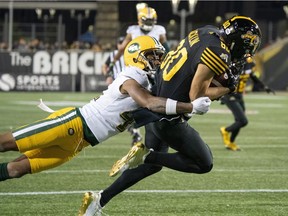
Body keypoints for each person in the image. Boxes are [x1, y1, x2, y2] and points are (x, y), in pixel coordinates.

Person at [78, 15, 262, 216]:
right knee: (203, 163)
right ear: (238, 41)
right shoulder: (219, 54)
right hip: (169, 114)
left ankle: (98, 201)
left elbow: (192, 65)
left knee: (152, 167)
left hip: (157, 102)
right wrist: (226, 89)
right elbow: (196, 97)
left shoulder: (207, 31)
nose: (248, 51)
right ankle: (146, 155)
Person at [0, 35, 211, 183]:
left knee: (16, 170)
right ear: (137, 56)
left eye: (158, 56)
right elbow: (150, 103)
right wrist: (191, 106)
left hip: (80, 144)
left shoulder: (149, 82)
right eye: (152, 55)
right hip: (72, 124)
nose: (157, 60)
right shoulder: (132, 75)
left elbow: (165, 102)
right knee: (5, 143)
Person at [106, 6, 170, 145]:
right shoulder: (133, 30)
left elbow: (166, 49)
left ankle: (144, 127)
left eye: (150, 21)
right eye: (146, 21)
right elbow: (122, 48)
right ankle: (136, 127)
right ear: (139, 20)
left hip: (154, 68)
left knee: (151, 98)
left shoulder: (159, 30)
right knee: (138, 100)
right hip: (135, 68)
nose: (148, 24)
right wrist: (112, 63)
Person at [220, 57, 275, 151]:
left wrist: (265, 87)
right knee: (243, 121)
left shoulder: (248, 66)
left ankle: (231, 142)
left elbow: (253, 77)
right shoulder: (234, 65)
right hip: (230, 96)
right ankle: (225, 130)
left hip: (239, 96)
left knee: (239, 121)